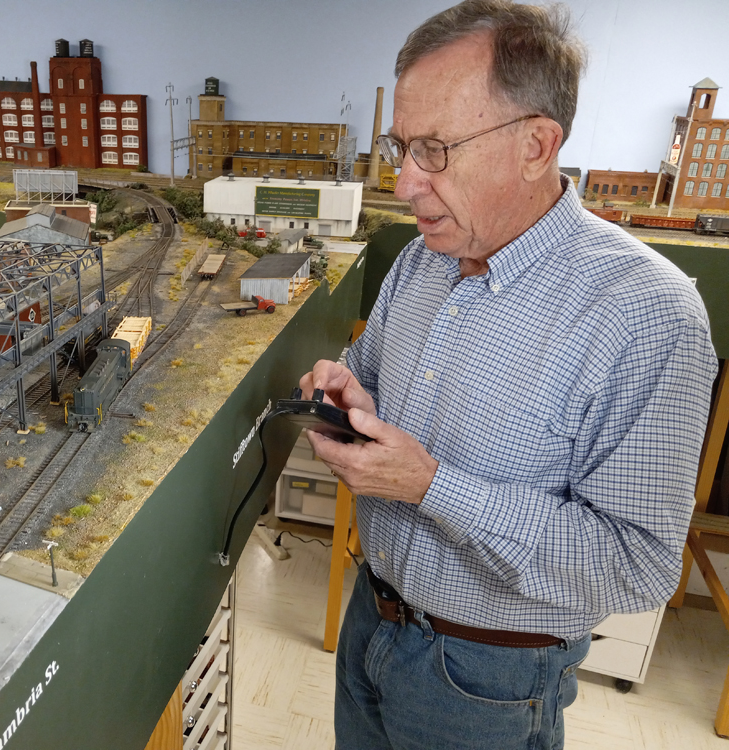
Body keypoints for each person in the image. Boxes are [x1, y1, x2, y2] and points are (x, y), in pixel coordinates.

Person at [298, 2, 718, 749]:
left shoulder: (648, 313)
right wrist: (349, 392)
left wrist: (432, 486)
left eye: (433, 149)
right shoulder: (423, 257)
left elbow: (638, 565)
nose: (404, 184)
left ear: (536, 143)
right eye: (402, 147)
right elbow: (372, 371)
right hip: (371, 616)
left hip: (485, 681)